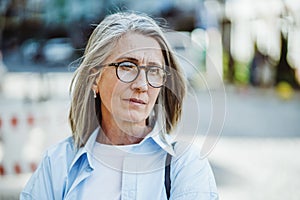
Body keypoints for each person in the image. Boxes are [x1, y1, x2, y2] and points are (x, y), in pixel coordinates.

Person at [20, 12, 218, 199]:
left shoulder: (184, 165)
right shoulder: (57, 164)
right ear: (95, 79)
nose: (142, 85)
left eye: (154, 71)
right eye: (127, 67)